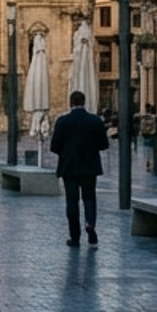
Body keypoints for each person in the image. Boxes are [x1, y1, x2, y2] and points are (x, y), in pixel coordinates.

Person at [51, 90, 109, 248]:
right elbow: (104, 144)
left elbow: (54, 146)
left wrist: (66, 153)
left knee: (72, 200)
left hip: (69, 167)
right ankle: (90, 225)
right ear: (84, 102)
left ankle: (74, 236)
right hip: (90, 167)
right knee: (89, 198)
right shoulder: (95, 120)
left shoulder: (62, 121)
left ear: (70, 103)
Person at [139, 105, 157, 173]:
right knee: (153, 151)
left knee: (147, 150)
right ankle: (153, 163)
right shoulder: (156, 118)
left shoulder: (144, 117)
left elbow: (141, 127)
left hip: (145, 135)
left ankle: (147, 161)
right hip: (153, 135)